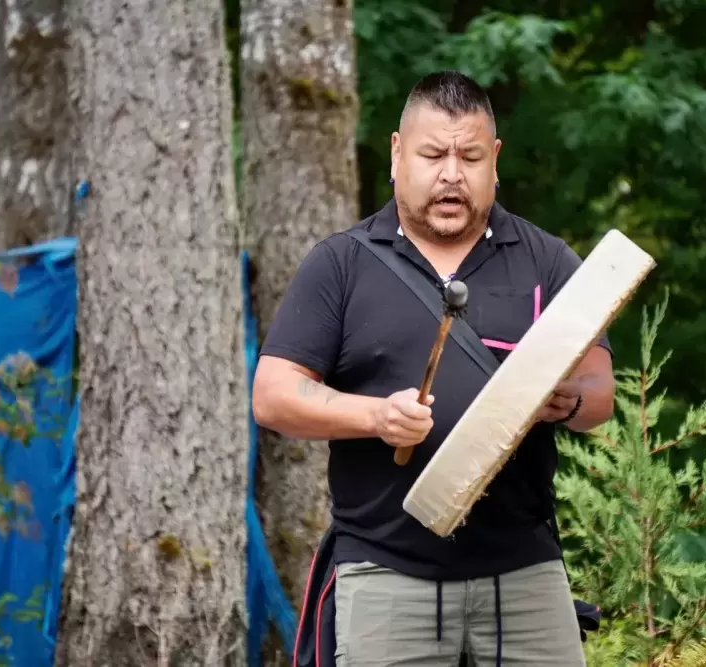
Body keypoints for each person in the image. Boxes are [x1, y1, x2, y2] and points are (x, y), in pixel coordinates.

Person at [252, 70, 615, 667]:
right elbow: (272, 395)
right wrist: (376, 416)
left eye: (470, 156)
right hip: (385, 571)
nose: (451, 174)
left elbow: (600, 392)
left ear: (494, 160)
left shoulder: (547, 259)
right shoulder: (342, 264)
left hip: (525, 571)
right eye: (433, 154)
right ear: (398, 153)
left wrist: (569, 400)